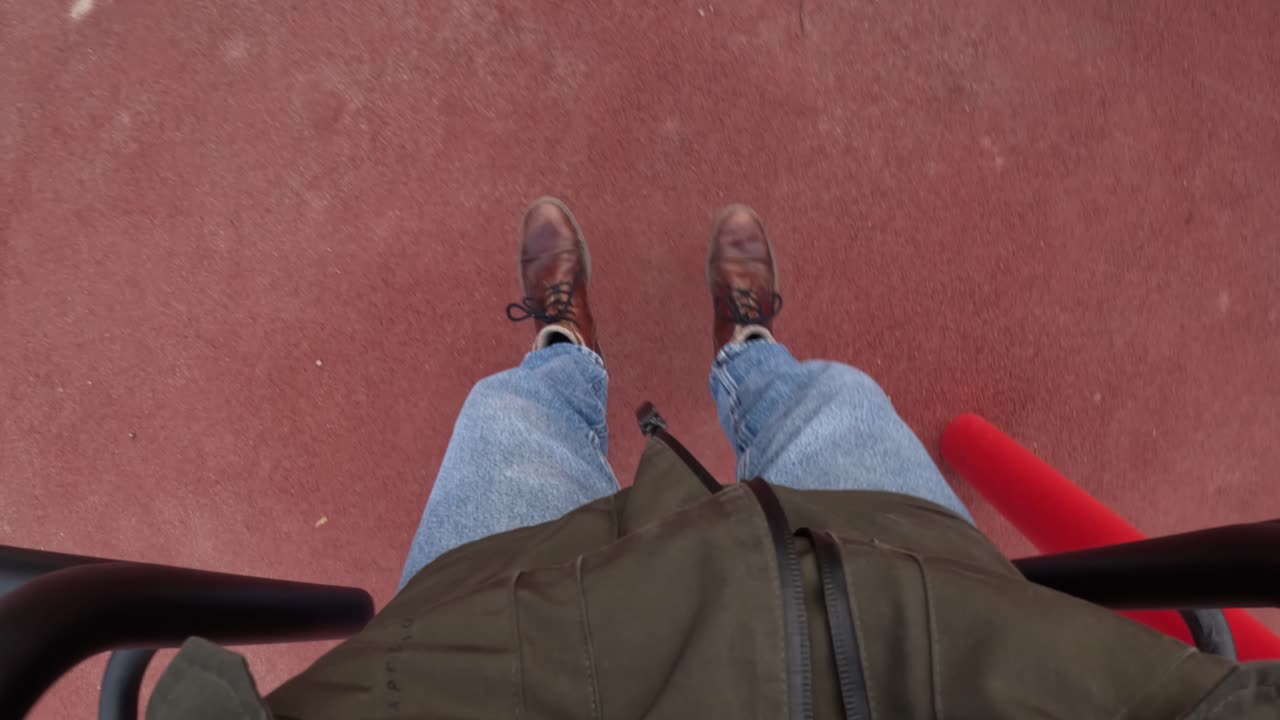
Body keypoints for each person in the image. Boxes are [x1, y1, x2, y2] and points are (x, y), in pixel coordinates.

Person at [148, 200, 1277, 719]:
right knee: (837, 400)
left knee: (507, 423)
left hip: (490, 649)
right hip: (926, 616)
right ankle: (746, 345)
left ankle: (562, 345)